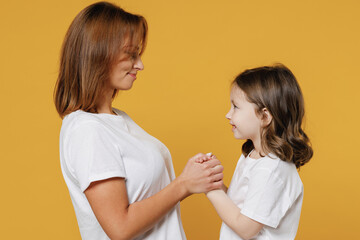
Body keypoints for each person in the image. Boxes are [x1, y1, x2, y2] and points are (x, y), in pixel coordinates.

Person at [54, 2, 223, 240]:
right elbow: (119, 228)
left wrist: (193, 174)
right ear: (99, 54)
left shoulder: (117, 119)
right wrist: (184, 184)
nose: (140, 65)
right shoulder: (87, 130)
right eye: (131, 54)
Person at [202, 64, 313, 240]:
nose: (228, 114)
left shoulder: (271, 169)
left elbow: (246, 229)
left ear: (265, 116)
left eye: (236, 107)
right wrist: (215, 183)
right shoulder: (255, 156)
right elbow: (243, 206)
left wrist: (210, 190)